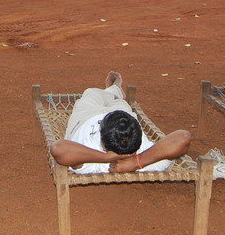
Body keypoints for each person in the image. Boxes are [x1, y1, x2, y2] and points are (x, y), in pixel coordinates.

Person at [50, 72, 192, 174]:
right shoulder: (144, 150)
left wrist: (106, 158)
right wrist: (138, 162)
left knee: (91, 93)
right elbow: (183, 137)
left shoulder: (87, 158)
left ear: (104, 146)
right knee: (120, 103)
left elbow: (58, 149)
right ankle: (115, 90)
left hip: (85, 118)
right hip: (123, 118)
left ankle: (113, 90)